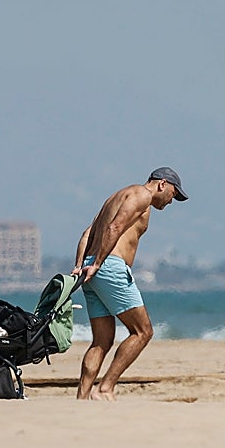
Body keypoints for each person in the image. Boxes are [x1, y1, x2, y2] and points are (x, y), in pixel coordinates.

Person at [71, 167, 188, 400]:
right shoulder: (142, 195)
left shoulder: (114, 198)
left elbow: (87, 233)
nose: (172, 201)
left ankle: (82, 396)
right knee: (143, 331)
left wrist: (81, 265)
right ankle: (105, 388)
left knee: (102, 341)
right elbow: (114, 228)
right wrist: (99, 264)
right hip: (108, 267)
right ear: (162, 184)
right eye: (173, 194)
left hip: (92, 269)